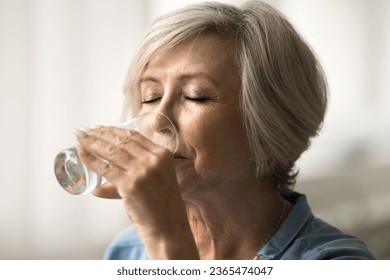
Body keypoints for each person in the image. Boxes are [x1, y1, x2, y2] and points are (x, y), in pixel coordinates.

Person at [74, 1, 375, 259]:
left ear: (271, 125)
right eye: (150, 97)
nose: (155, 120)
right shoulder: (128, 251)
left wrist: (166, 239)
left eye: (196, 96)